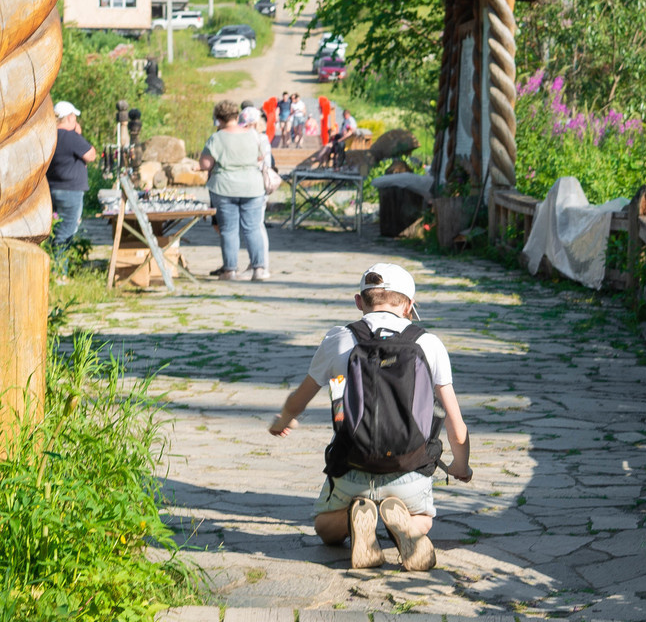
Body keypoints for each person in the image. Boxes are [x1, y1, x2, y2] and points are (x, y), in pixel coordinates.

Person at [267, 263, 471, 571]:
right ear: (409, 307)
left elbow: (299, 399)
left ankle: (356, 518)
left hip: (352, 464)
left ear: (359, 302)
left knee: (325, 527)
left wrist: (284, 421)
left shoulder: (338, 339)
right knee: (423, 519)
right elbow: (456, 426)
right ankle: (405, 528)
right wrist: (460, 465)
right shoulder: (429, 344)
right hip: (410, 467)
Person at [200, 99, 271, 281]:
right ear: (236, 116)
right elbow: (261, 156)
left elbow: (205, 164)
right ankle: (259, 269)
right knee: (253, 228)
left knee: (229, 229)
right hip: (253, 187)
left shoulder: (216, 138)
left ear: (218, 118)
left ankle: (230, 270)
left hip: (224, 188)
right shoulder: (253, 135)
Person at [47, 100, 99, 257]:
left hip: (52, 189)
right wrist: (78, 134)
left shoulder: (49, 136)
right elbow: (91, 154)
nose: (76, 121)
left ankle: (54, 267)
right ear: (69, 118)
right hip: (70, 191)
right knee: (67, 231)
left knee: (55, 229)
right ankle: (59, 270)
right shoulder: (70, 136)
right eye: (74, 118)